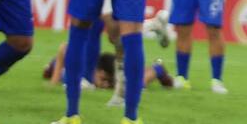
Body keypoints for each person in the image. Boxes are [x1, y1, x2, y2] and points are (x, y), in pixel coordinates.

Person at [44, 45, 172, 90]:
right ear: (97, 71)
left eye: (109, 82)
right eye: (104, 79)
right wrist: (54, 81)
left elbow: (157, 69)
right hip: (63, 65)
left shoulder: (122, 82)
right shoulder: (77, 72)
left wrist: (163, 76)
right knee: (50, 70)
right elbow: (64, 48)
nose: (105, 84)